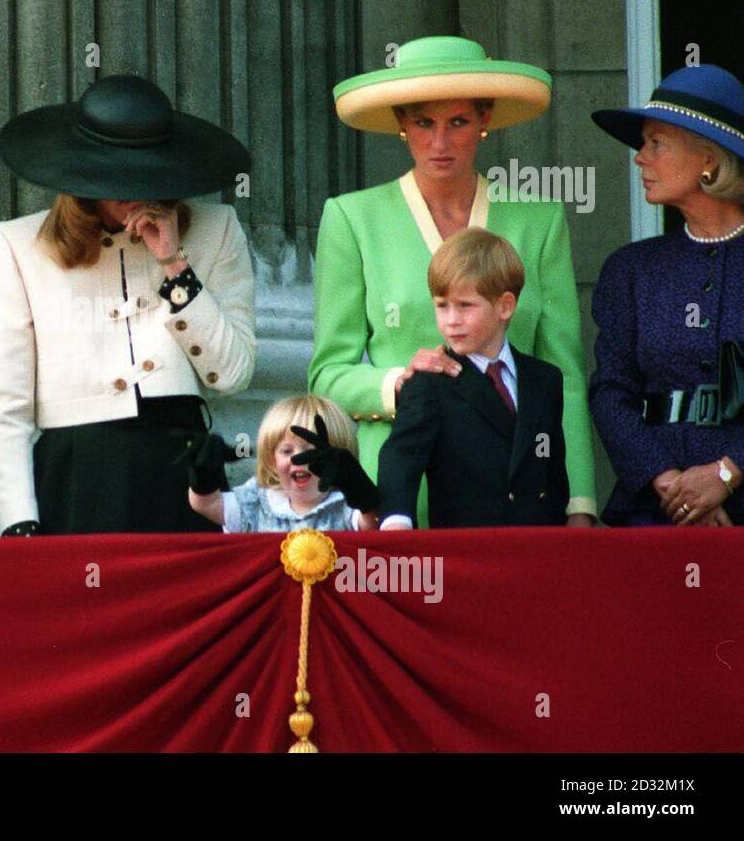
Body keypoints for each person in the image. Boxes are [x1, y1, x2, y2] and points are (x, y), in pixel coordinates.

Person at [308, 35, 596, 528]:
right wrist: (399, 382)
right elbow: (327, 374)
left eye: (458, 122)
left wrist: (579, 504)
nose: (440, 143)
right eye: (423, 122)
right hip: (399, 495)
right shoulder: (351, 218)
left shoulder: (538, 219)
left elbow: (562, 373)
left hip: (518, 492)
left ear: (485, 122)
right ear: (402, 124)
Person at [0, 74, 256, 536]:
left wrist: (173, 263)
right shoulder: (13, 244)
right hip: (76, 476)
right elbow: (5, 406)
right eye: (116, 173)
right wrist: (18, 521)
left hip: (182, 473)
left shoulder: (217, 228)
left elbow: (232, 374)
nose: (131, 186)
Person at [588, 64, 744, 527]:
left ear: (708, 160)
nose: (640, 157)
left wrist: (726, 473)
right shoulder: (631, 270)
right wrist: (666, 481)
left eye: (656, 143)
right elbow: (611, 392)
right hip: (654, 511)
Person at [376, 228, 569, 529]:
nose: (451, 320)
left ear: (505, 306)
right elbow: (401, 456)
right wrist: (396, 521)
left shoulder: (544, 380)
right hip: (467, 553)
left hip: (536, 550)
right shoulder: (429, 384)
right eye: (442, 305)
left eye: (465, 305)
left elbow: (551, 468)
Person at [181, 394, 380, 533]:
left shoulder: (345, 507)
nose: (299, 461)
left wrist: (360, 491)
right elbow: (207, 504)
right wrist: (203, 477)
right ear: (271, 459)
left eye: (313, 452)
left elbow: (373, 523)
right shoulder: (256, 504)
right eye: (287, 451)